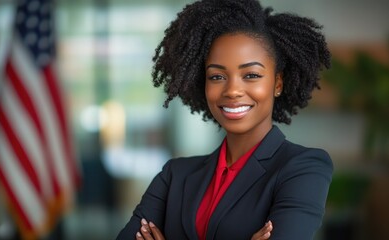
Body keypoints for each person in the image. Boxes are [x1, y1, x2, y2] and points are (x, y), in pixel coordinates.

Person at [117, 0, 333, 239]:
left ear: (277, 83)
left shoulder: (303, 167)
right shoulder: (175, 175)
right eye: (217, 76)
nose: (232, 90)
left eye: (251, 75)